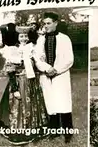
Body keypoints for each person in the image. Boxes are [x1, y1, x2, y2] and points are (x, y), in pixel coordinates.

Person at [0, 24, 49, 145]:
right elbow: (11, 72)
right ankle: (19, 131)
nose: (23, 38)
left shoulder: (32, 48)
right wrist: (15, 89)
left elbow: (38, 62)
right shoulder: (13, 50)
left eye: (25, 36)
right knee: (19, 104)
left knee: (32, 104)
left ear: (28, 37)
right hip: (19, 82)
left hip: (31, 82)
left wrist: (46, 68)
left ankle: (33, 129)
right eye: (21, 36)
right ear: (17, 37)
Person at [35, 12, 75, 143]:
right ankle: (54, 131)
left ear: (56, 23)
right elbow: (37, 58)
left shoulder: (64, 39)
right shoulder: (41, 40)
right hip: (46, 75)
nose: (46, 26)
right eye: (44, 23)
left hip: (60, 75)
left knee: (63, 103)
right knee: (50, 103)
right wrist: (47, 68)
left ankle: (68, 132)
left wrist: (56, 70)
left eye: (48, 23)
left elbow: (69, 60)